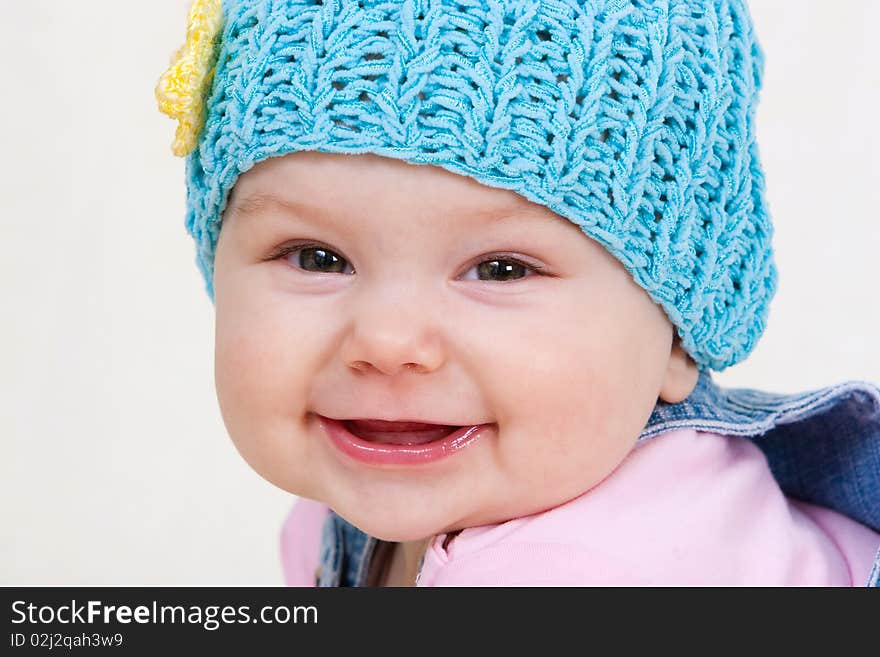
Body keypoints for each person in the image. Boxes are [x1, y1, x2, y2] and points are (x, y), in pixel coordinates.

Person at [155, 0, 880, 586]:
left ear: (676, 332)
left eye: (500, 269)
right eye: (317, 257)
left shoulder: (585, 574)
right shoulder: (338, 506)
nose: (387, 341)